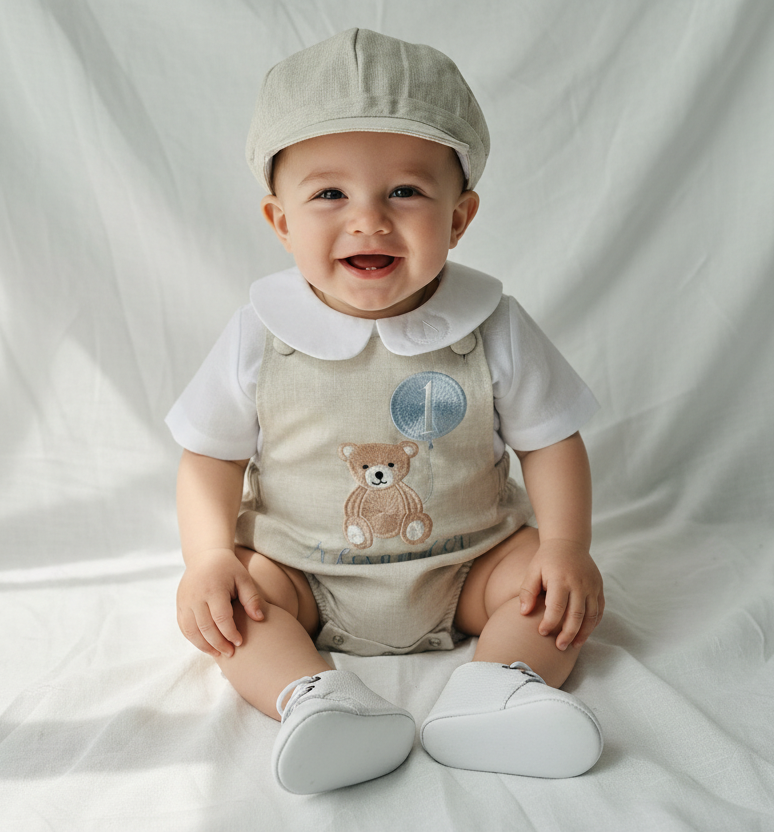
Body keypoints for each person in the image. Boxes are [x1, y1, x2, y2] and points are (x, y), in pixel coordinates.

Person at [167, 28, 604, 794]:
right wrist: (207, 558)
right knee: (239, 609)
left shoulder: (491, 325)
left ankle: (497, 690)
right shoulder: (259, 335)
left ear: (459, 217)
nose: (368, 220)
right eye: (329, 194)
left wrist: (566, 545)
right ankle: (313, 699)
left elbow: (551, 443)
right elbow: (211, 458)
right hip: (303, 576)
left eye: (404, 191)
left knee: (548, 590)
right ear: (280, 221)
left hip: (470, 566)